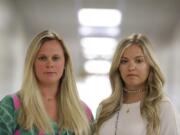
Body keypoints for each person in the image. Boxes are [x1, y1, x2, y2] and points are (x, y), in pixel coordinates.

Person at [0, 30, 93, 135]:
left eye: (55, 58)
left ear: (65, 64)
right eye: (42, 58)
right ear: (32, 63)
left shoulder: (83, 113)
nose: (50, 64)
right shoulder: (10, 107)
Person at [94, 33, 180, 135]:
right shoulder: (105, 108)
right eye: (124, 61)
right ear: (118, 67)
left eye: (139, 61)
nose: (131, 67)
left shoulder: (163, 107)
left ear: (150, 65)